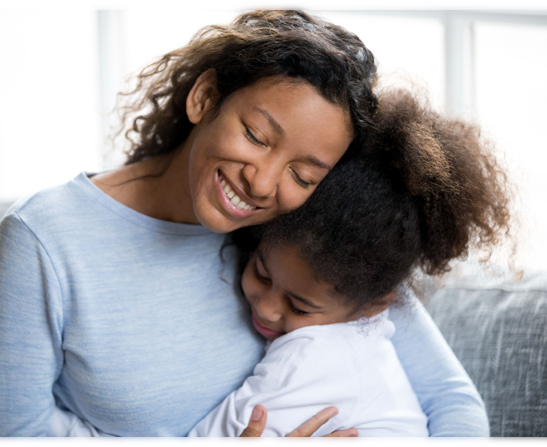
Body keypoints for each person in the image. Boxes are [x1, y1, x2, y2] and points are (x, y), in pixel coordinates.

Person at [0, 11, 494, 439]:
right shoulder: (45, 238)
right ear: (204, 98)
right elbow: (2, 434)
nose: (263, 183)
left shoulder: (305, 233)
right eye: (257, 136)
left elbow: (455, 406)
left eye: (303, 173)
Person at [188, 88, 511, 438]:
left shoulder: (309, 353)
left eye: (300, 306)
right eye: (261, 274)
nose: (266, 308)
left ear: (375, 306)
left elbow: (454, 400)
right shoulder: (323, 276)